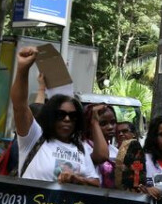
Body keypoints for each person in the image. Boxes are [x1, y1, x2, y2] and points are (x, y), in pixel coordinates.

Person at [10, 47, 106, 184]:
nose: (67, 119)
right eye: (60, 115)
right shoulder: (34, 138)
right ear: (50, 116)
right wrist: (22, 69)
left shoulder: (81, 148)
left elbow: (96, 183)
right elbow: (19, 105)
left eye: (73, 116)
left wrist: (76, 179)